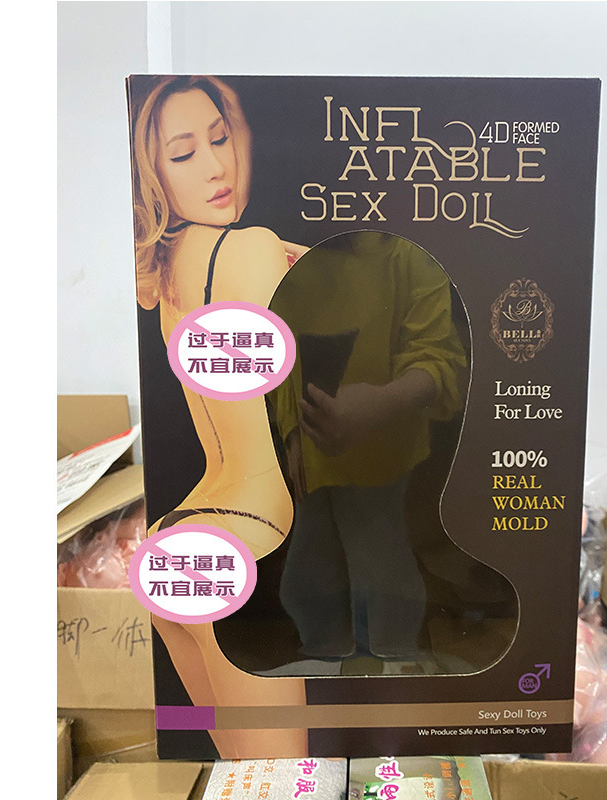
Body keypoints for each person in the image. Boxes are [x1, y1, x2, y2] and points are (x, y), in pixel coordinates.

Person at [130, 75, 307, 757]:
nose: (215, 166)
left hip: (179, 540)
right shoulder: (256, 247)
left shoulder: (165, 268)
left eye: (219, 137)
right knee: (282, 789)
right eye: (183, 154)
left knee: (243, 778)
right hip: (252, 545)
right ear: (153, 176)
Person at [269, 231, 468, 667]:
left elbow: (437, 357)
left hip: (384, 451)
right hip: (310, 452)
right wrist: (292, 433)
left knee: (378, 549)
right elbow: (274, 352)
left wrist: (385, 402)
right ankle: (325, 653)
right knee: (313, 556)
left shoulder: (407, 255)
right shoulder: (279, 256)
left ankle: (391, 653)